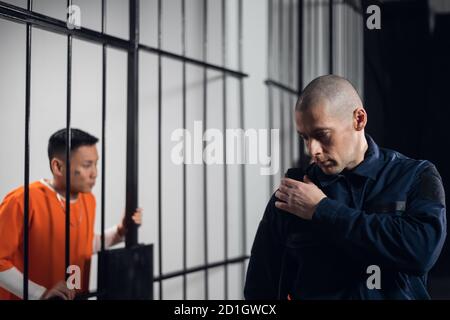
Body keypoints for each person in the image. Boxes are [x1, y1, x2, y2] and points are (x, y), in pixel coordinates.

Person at [244, 75, 447, 299]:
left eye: (322, 135)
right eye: (305, 138)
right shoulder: (294, 194)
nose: (312, 150)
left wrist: (321, 210)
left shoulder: (415, 176)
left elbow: (421, 252)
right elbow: (259, 289)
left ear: (358, 119)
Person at [0, 128, 142, 300]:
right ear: (58, 167)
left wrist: (120, 231)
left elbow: (82, 245)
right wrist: (40, 294)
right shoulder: (22, 200)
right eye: (87, 165)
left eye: (96, 164)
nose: (95, 173)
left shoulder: (88, 199)